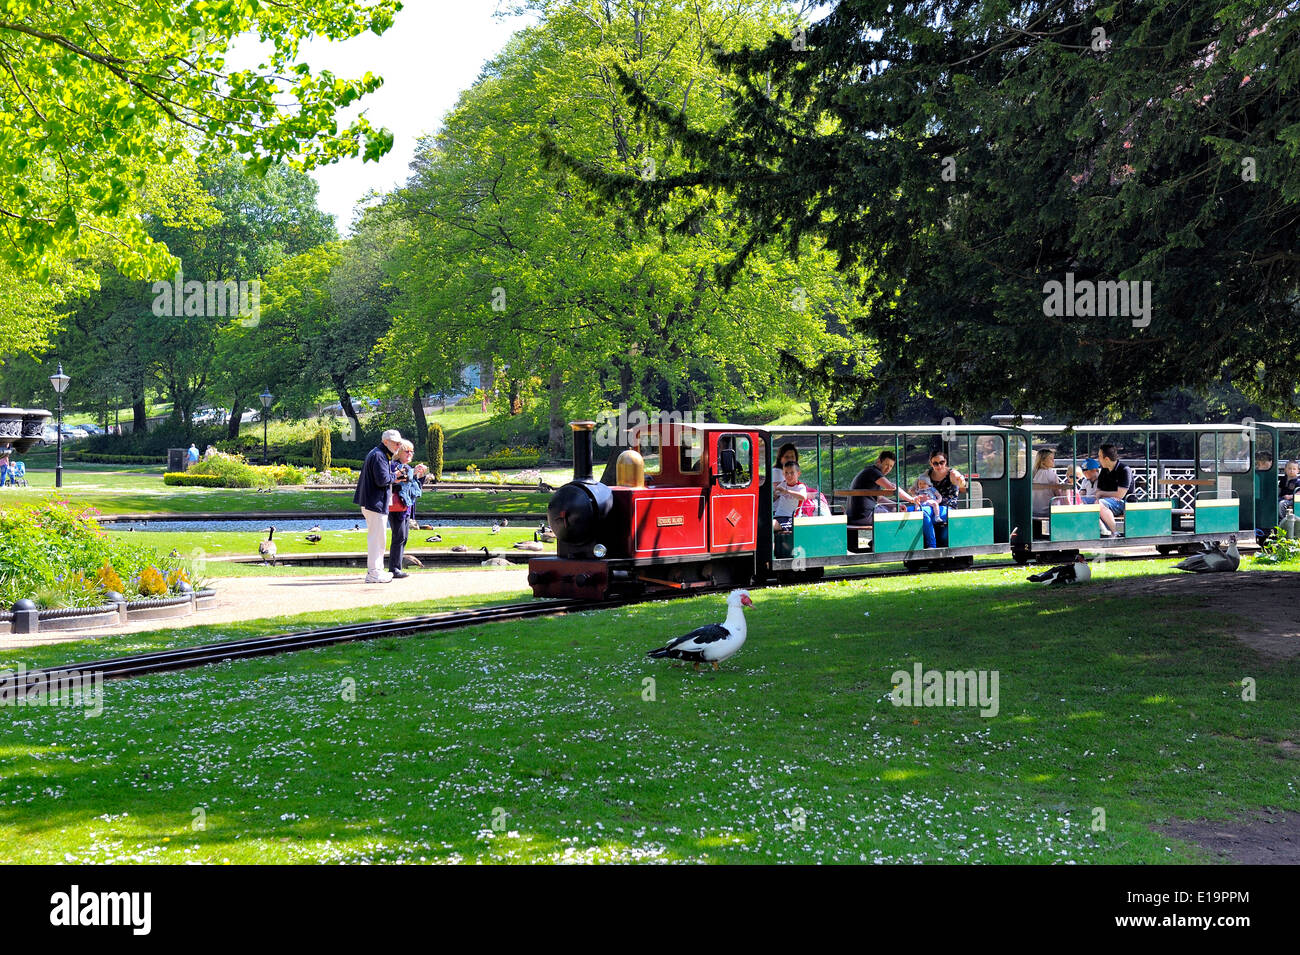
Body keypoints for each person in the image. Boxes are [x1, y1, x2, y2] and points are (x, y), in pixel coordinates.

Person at [354, 429, 403, 582]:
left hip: (373, 502)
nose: (398, 446)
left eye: (399, 443)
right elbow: (382, 479)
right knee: (377, 539)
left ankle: (377, 570)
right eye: (395, 443)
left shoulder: (379, 454)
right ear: (386, 442)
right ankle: (374, 572)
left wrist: (394, 476)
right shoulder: (379, 455)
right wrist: (397, 476)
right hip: (374, 503)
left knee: (379, 538)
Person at [388, 439, 429, 578]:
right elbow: (401, 481)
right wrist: (413, 472)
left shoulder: (405, 467)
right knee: (398, 537)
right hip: (397, 507)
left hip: (405, 507)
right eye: (407, 451)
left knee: (403, 537)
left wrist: (419, 475)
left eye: (412, 451)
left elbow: (414, 487)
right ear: (399, 452)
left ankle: (396, 567)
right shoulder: (395, 466)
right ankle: (394, 568)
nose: (410, 454)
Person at [846, 450, 917, 525]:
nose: (888, 469)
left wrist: (897, 505)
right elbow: (892, 487)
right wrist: (911, 499)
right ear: (879, 461)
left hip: (852, 517)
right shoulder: (873, 472)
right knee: (896, 515)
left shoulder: (869, 471)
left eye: (891, 466)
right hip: (864, 516)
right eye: (886, 464)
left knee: (894, 508)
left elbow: (880, 499)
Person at [918, 450, 967, 548]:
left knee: (922, 513)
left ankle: (931, 545)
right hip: (931, 506)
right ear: (931, 463)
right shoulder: (928, 474)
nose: (939, 466)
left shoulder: (952, 473)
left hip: (948, 508)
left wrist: (961, 480)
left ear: (945, 461)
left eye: (942, 462)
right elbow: (915, 487)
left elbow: (961, 482)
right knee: (915, 512)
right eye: (935, 463)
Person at [1096, 444, 1133, 537]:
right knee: (1082, 502)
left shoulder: (1124, 470)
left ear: (1107, 459)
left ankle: (1114, 532)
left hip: (1124, 502)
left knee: (1098, 503)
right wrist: (1101, 494)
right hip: (1107, 501)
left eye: (1099, 456)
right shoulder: (1104, 470)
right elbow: (1098, 489)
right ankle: (1101, 530)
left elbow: (1120, 495)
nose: (1098, 459)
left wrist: (1101, 494)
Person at [772, 460, 808, 532]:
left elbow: (803, 497)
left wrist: (786, 491)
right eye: (786, 473)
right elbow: (774, 497)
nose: (788, 475)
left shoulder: (800, 486)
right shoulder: (783, 484)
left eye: (792, 473)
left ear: (798, 474)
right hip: (777, 516)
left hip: (791, 519)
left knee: (771, 525)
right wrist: (774, 493)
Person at [1032, 449, 1067, 517]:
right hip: (1048, 510)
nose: (1053, 460)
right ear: (1043, 461)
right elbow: (1058, 494)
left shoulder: (1033, 473)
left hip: (1033, 510)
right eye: (1051, 459)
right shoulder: (1051, 474)